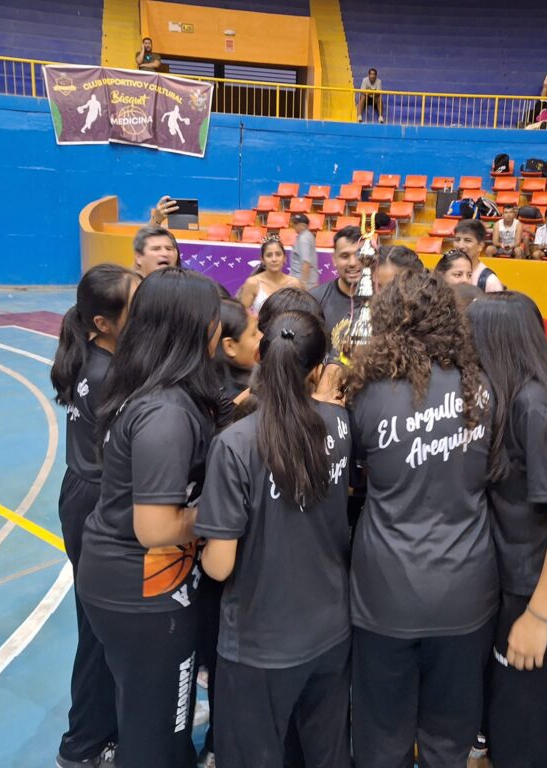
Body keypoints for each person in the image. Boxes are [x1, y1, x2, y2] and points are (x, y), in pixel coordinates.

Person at [342, 271, 497, 768]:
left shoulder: (365, 393)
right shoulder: (483, 389)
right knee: (448, 735)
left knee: (380, 731)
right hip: (465, 588)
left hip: (385, 589)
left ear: (386, 321)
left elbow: (350, 479)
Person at [77, 268, 220, 767]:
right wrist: (219, 510)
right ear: (194, 329)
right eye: (214, 319)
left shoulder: (145, 385)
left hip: (128, 584)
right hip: (143, 593)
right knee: (158, 733)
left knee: (145, 719)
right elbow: (156, 528)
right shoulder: (166, 413)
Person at [196, 310, 353, 768]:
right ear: (317, 371)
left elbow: (221, 565)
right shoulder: (340, 426)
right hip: (330, 627)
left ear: (260, 362)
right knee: (326, 752)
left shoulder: (235, 444)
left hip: (260, 639)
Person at [466, 293, 547, 766]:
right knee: (506, 724)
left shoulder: (536, 407)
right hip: (519, 584)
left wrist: (538, 617)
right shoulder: (511, 396)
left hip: (545, 592)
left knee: (522, 739)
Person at [50, 264, 141, 768]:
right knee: (99, 631)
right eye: (135, 302)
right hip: (95, 502)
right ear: (104, 323)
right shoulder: (108, 376)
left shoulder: (93, 356)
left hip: (81, 493)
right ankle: (83, 744)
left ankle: (94, 736)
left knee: (96, 625)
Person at [310, 225, 363, 348]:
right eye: (345, 256)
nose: (353, 263)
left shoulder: (383, 300)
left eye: (359, 255)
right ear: (334, 259)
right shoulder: (315, 299)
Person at [240, 236, 303, 314]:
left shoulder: (294, 283)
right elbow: (242, 314)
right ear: (262, 260)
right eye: (269, 255)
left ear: (285, 258)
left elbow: (302, 314)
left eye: (278, 254)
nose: (274, 259)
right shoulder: (253, 283)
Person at [455, 219, 505, 292]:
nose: (460, 246)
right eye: (457, 240)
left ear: (480, 246)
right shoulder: (445, 274)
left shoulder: (490, 281)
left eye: (467, 240)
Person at [289, 213, 318, 289]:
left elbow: (306, 263)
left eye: (296, 223)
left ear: (303, 225)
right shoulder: (307, 236)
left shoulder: (303, 239)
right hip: (305, 280)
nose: (293, 225)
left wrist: (303, 283)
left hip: (301, 281)